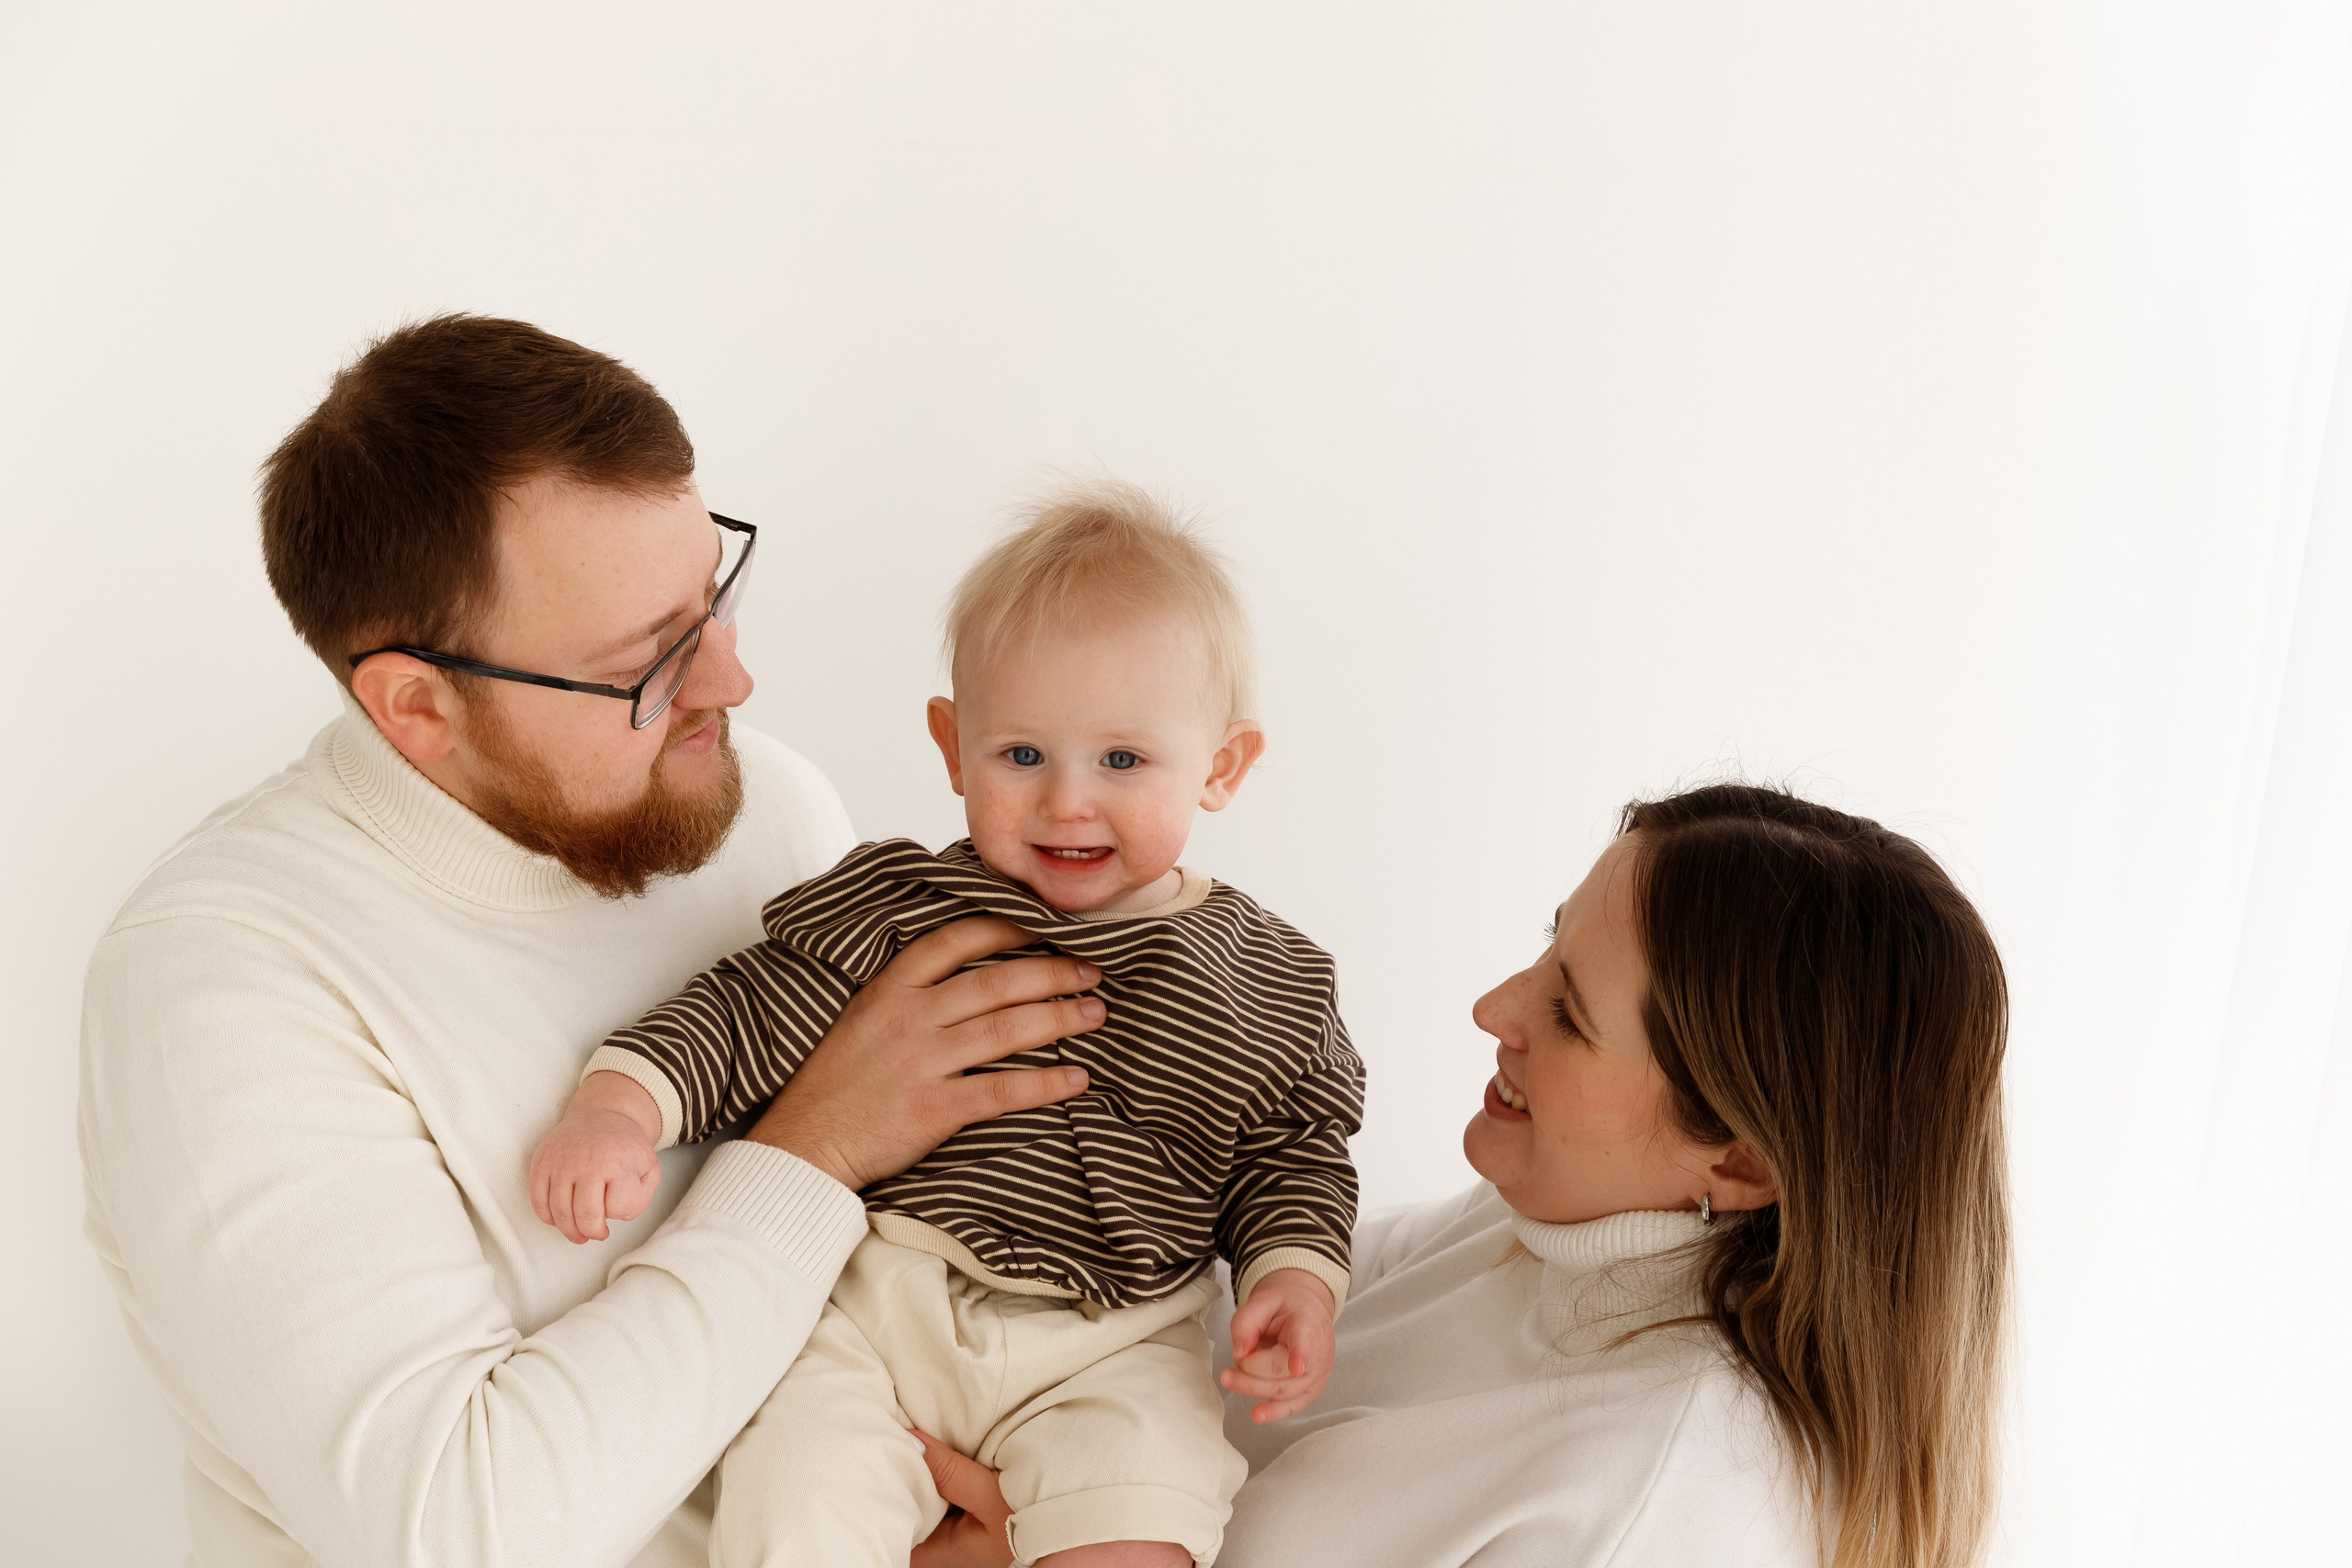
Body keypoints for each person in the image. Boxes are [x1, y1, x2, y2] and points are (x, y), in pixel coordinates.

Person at [76, 314, 1105, 1568]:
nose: (733, 681)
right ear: (418, 705)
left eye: (711, 597)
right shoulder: (222, 978)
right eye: (653, 658)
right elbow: (461, 1527)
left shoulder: (762, 801)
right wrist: (817, 1146)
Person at [529, 484, 1364, 1567]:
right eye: (1022, 756)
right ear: (951, 744)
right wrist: (617, 1108)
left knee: (1147, 1512)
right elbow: (746, 1010)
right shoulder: (898, 908)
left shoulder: (1267, 978)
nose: (1068, 802)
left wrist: (1293, 1282)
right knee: (797, 1493)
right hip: (886, 1302)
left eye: (1121, 761)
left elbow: (1294, 1150)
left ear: (1221, 766)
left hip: (1117, 1335)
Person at [915, 784, 2010, 1568]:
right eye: (1548, 946)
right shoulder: (1530, 1229)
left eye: (1570, 1014)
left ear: (1741, 1157)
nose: (1496, 1009)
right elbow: (1192, 1329)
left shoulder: (1667, 1503)